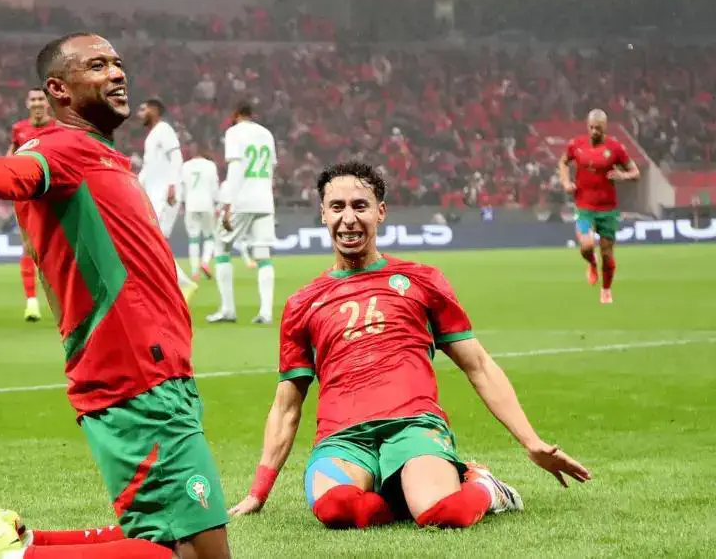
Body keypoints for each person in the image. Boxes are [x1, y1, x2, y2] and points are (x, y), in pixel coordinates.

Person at [0, 33, 231, 559]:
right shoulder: (60, 149)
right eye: (97, 66)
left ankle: (22, 544)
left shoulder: (104, 157)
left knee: (170, 539)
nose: (117, 73)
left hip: (154, 372)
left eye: (118, 63)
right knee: (192, 554)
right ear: (59, 89)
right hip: (137, 377)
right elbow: (10, 173)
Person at [229, 161, 590, 531]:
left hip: (413, 427)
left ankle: (486, 485)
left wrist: (531, 442)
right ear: (323, 214)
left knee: (446, 514)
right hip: (342, 439)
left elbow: (478, 365)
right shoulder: (302, 303)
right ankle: (399, 491)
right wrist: (258, 492)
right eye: (337, 207)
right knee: (337, 509)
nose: (349, 219)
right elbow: (287, 406)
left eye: (360, 206)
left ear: (380, 212)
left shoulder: (422, 281)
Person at [558, 109, 640, 304]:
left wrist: (623, 175)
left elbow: (635, 173)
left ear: (605, 128)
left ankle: (606, 290)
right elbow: (563, 162)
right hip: (584, 206)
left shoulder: (616, 148)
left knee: (607, 253)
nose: (594, 131)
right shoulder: (576, 145)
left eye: (599, 128)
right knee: (586, 246)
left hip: (608, 209)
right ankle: (592, 263)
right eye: (592, 127)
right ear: (587, 126)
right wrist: (566, 182)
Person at [207, 102, 277, 325]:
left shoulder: (234, 133)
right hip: (265, 200)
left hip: (242, 200)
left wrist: (228, 204)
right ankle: (266, 313)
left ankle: (228, 310)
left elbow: (236, 169)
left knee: (221, 247)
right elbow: (271, 168)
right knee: (263, 255)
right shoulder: (266, 134)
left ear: (236, 114)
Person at [137, 98, 199, 301]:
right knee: (153, 243)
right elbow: (148, 169)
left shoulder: (164, 130)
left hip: (166, 195)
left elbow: (176, 157)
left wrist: (172, 184)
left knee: (155, 242)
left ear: (154, 110)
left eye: (143, 109)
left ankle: (181, 285)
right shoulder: (152, 136)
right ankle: (171, 286)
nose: (139, 113)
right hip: (155, 196)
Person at [8, 87, 58, 322]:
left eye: (41, 99)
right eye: (33, 99)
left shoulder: (59, 128)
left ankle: (63, 299)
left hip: (52, 194)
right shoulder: (19, 129)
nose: (37, 103)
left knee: (58, 247)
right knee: (29, 248)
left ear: (48, 103)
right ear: (27, 103)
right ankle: (31, 303)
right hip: (26, 196)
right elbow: (11, 157)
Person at [180, 149, 219, 280]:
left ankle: (194, 272)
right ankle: (205, 262)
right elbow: (214, 188)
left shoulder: (186, 166)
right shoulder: (210, 166)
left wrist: (183, 202)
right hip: (207, 204)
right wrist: (217, 203)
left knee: (193, 239)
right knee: (210, 237)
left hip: (191, 205)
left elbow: (182, 188)